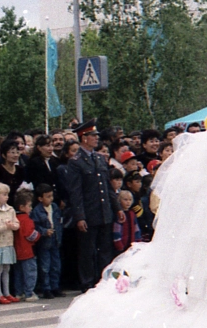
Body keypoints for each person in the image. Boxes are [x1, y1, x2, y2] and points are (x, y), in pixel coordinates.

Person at [64, 120, 115, 292]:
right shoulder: (76, 161)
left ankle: (103, 280)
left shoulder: (100, 159)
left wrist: (117, 208)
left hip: (103, 211)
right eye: (93, 136)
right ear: (83, 138)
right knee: (87, 250)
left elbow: (107, 187)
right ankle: (87, 282)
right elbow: (75, 192)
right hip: (89, 212)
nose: (96, 138)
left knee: (105, 249)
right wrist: (80, 216)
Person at [32, 183, 62, 298]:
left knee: (56, 265)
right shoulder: (37, 211)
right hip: (44, 242)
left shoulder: (54, 207)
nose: (51, 199)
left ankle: (55, 286)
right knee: (45, 266)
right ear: (40, 198)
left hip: (55, 240)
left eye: (51, 196)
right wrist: (44, 231)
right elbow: (35, 225)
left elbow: (59, 222)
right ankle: (46, 288)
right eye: (47, 196)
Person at [12, 190, 40, 303]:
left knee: (18, 274)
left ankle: (19, 293)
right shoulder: (26, 220)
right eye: (29, 206)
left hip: (16, 251)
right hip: (27, 251)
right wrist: (38, 235)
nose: (31, 208)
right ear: (22, 207)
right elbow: (30, 235)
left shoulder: (15, 218)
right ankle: (29, 293)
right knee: (30, 273)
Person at [111, 189, 141, 257]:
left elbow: (136, 228)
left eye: (130, 200)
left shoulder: (132, 213)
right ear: (119, 200)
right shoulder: (119, 215)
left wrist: (138, 241)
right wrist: (118, 244)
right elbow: (116, 230)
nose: (128, 202)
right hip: (122, 246)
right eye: (125, 200)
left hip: (132, 245)